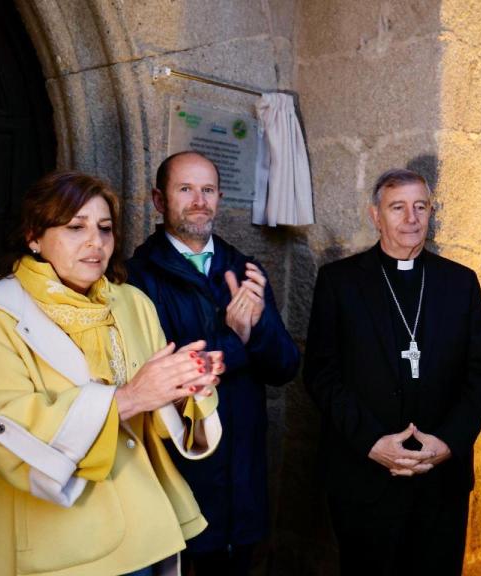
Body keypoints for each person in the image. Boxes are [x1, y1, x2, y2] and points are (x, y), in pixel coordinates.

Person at [0, 171, 225, 576]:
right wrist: (131, 397)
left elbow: (159, 418)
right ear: (34, 235)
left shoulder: (132, 302)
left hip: (146, 528)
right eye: (75, 227)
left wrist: (186, 386)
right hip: (59, 541)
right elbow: (8, 428)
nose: (96, 242)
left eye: (105, 229)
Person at [304, 168, 481, 576]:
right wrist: (371, 442)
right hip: (363, 476)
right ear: (376, 215)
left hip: (440, 478)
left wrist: (448, 443)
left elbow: (480, 376)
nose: (411, 218)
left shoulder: (460, 283)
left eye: (420, 206)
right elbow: (321, 374)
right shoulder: (339, 282)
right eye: (398, 207)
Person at [126, 151, 300, 575]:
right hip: (184, 465)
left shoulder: (244, 269)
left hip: (243, 470)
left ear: (220, 198)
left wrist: (258, 328)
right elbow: (169, 373)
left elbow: (283, 367)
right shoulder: (138, 277)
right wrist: (238, 336)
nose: (199, 200)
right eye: (185, 189)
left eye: (208, 190)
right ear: (158, 200)